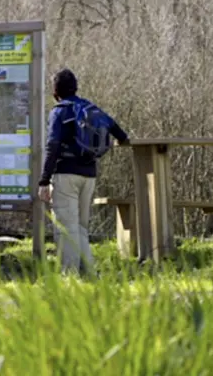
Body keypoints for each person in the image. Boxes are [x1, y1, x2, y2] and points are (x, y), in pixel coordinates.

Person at [36, 68, 130, 276]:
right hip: (89, 175)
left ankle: (69, 276)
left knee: (66, 228)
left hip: (65, 176)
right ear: (76, 88)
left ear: (55, 92)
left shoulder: (59, 111)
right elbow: (120, 133)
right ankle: (88, 273)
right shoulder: (90, 108)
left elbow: (52, 146)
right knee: (80, 228)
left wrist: (44, 180)